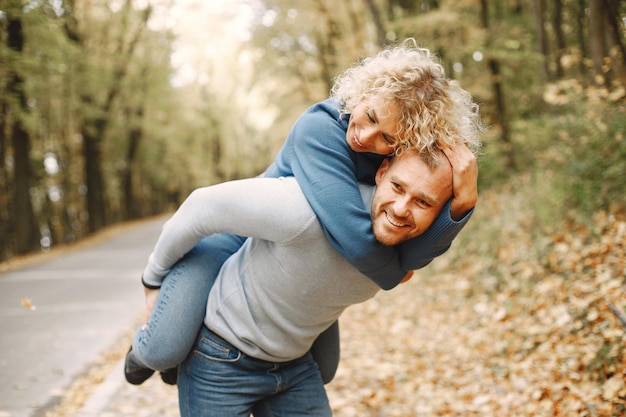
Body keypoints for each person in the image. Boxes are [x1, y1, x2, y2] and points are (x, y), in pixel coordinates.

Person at [125, 40, 482, 386]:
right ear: (363, 93)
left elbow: (408, 244)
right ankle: (142, 352)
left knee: (322, 370)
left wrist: (460, 207)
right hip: (237, 240)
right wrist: (152, 279)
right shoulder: (320, 129)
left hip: (300, 265)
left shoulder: (398, 172)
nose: (364, 136)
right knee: (162, 350)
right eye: (369, 116)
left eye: (387, 138)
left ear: (404, 146)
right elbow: (360, 244)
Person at [157, 145, 470, 416]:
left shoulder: (411, 247)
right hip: (222, 358)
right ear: (382, 172)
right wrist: (152, 278)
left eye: (423, 202)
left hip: (294, 364)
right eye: (398, 187)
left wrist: (466, 201)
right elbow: (202, 206)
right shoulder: (304, 211)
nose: (401, 210)